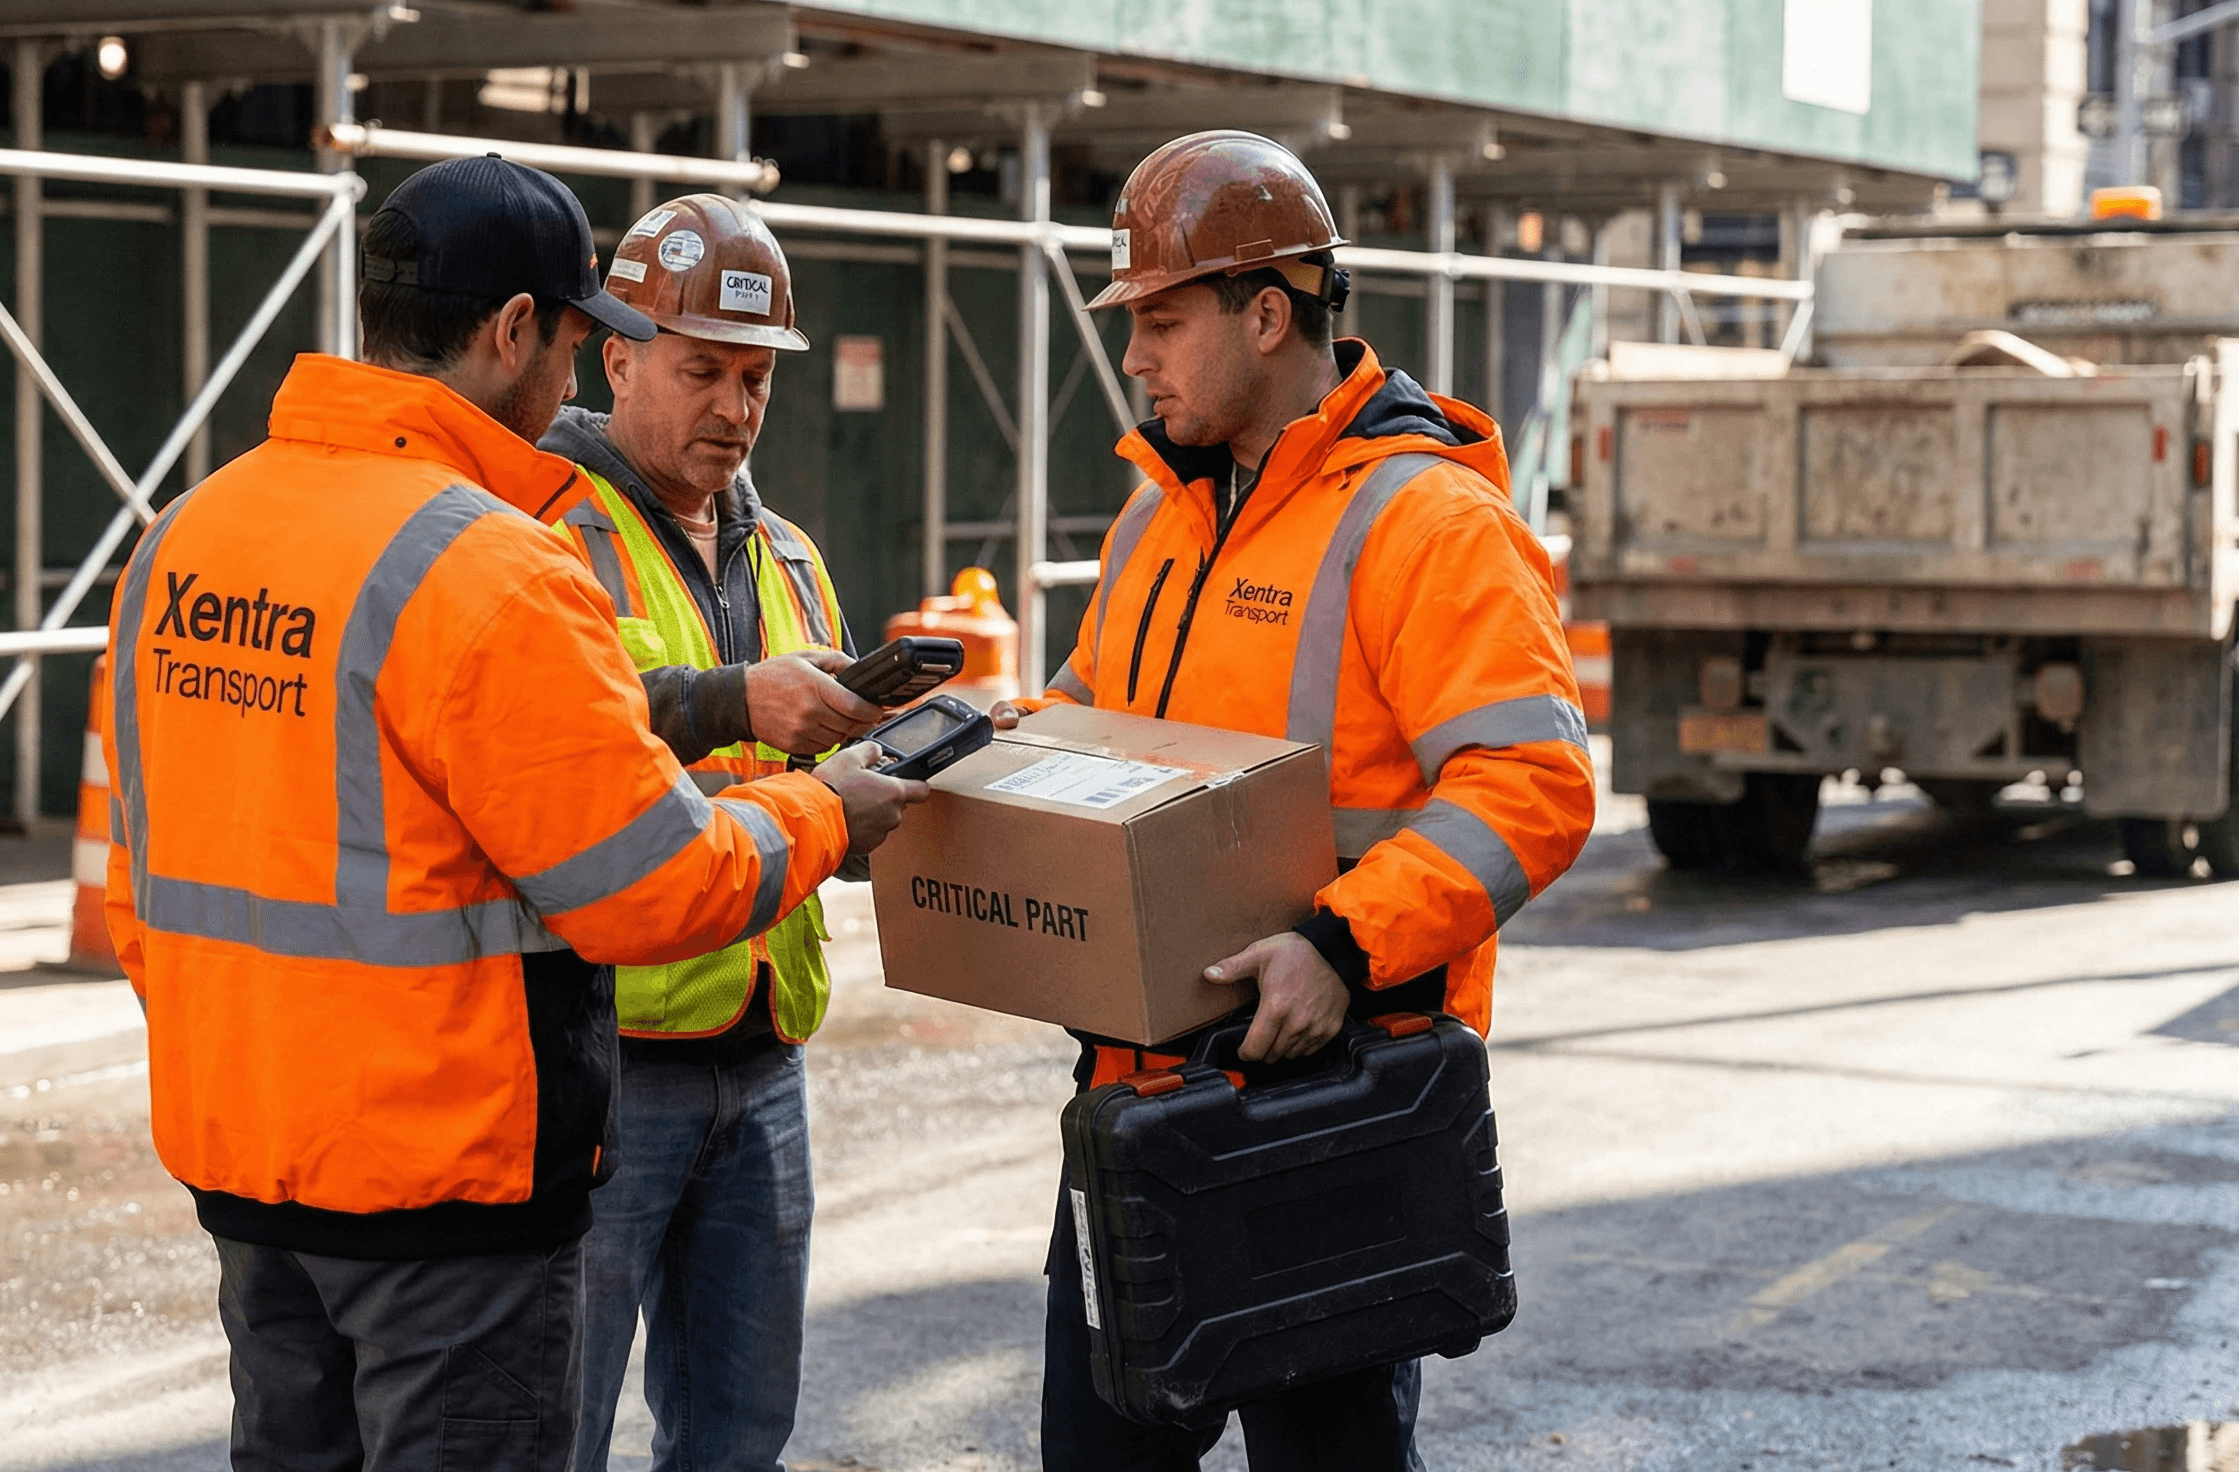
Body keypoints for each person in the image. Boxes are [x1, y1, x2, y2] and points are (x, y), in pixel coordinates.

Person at [96, 156, 926, 1472]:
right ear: (514, 331)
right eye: (583, 339)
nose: (571, 380)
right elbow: (649, 886)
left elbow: (132, 882)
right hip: (445, 1196)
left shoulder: (182, 538)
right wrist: (822, 815)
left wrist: (258, 1085)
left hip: (255, 1178)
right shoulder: (486, 560)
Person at [1001, 130, 1597, 1471]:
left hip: (1329, 1108)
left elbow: (1532, 785)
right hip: (1133, 1099)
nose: (1133, 354)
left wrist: (1338, 945)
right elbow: (1084, 731)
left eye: (1158, 318)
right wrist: (955, 773)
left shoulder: (1427, 524)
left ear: (1266, 313)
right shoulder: (1153, 523)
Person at [540, 193, 880, 1472]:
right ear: (617, 355)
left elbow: (813, 761)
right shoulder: (548, 532)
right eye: (702, 372)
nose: (734, 407)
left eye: (754, 378)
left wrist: (883, 762)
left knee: (741, 1433)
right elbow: (559, 738)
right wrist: (738, 698)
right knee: (555, 1426)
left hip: (765, 1041)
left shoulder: (786, 552)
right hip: (611, 1055)